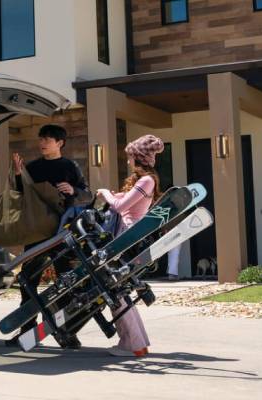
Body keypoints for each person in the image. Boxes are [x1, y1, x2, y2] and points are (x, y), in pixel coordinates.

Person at [9, 124, 92, 349]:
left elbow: (87, 194)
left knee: (65, 281)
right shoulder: (33, 167)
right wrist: (18, 174)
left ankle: (66, 331)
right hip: (37, 231)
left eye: (48, 139)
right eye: (41, 139)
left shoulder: (70, 166)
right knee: (28, 281)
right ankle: (25, 331)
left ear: (60, 143)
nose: (43, 143)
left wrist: (73, 191)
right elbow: (18, 194)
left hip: (63, 231)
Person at [95, 134, 165, 357]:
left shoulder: (147, 181)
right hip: (125, 239)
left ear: (138, 158)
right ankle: (137, 343)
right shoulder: (143, 181)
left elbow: (120, 205)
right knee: (118, 290)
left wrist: (105, 193)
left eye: (130, 157)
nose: (128, 161)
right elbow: (126, 201)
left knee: (115, 291)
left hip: (126, 240)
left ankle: (132, 344)